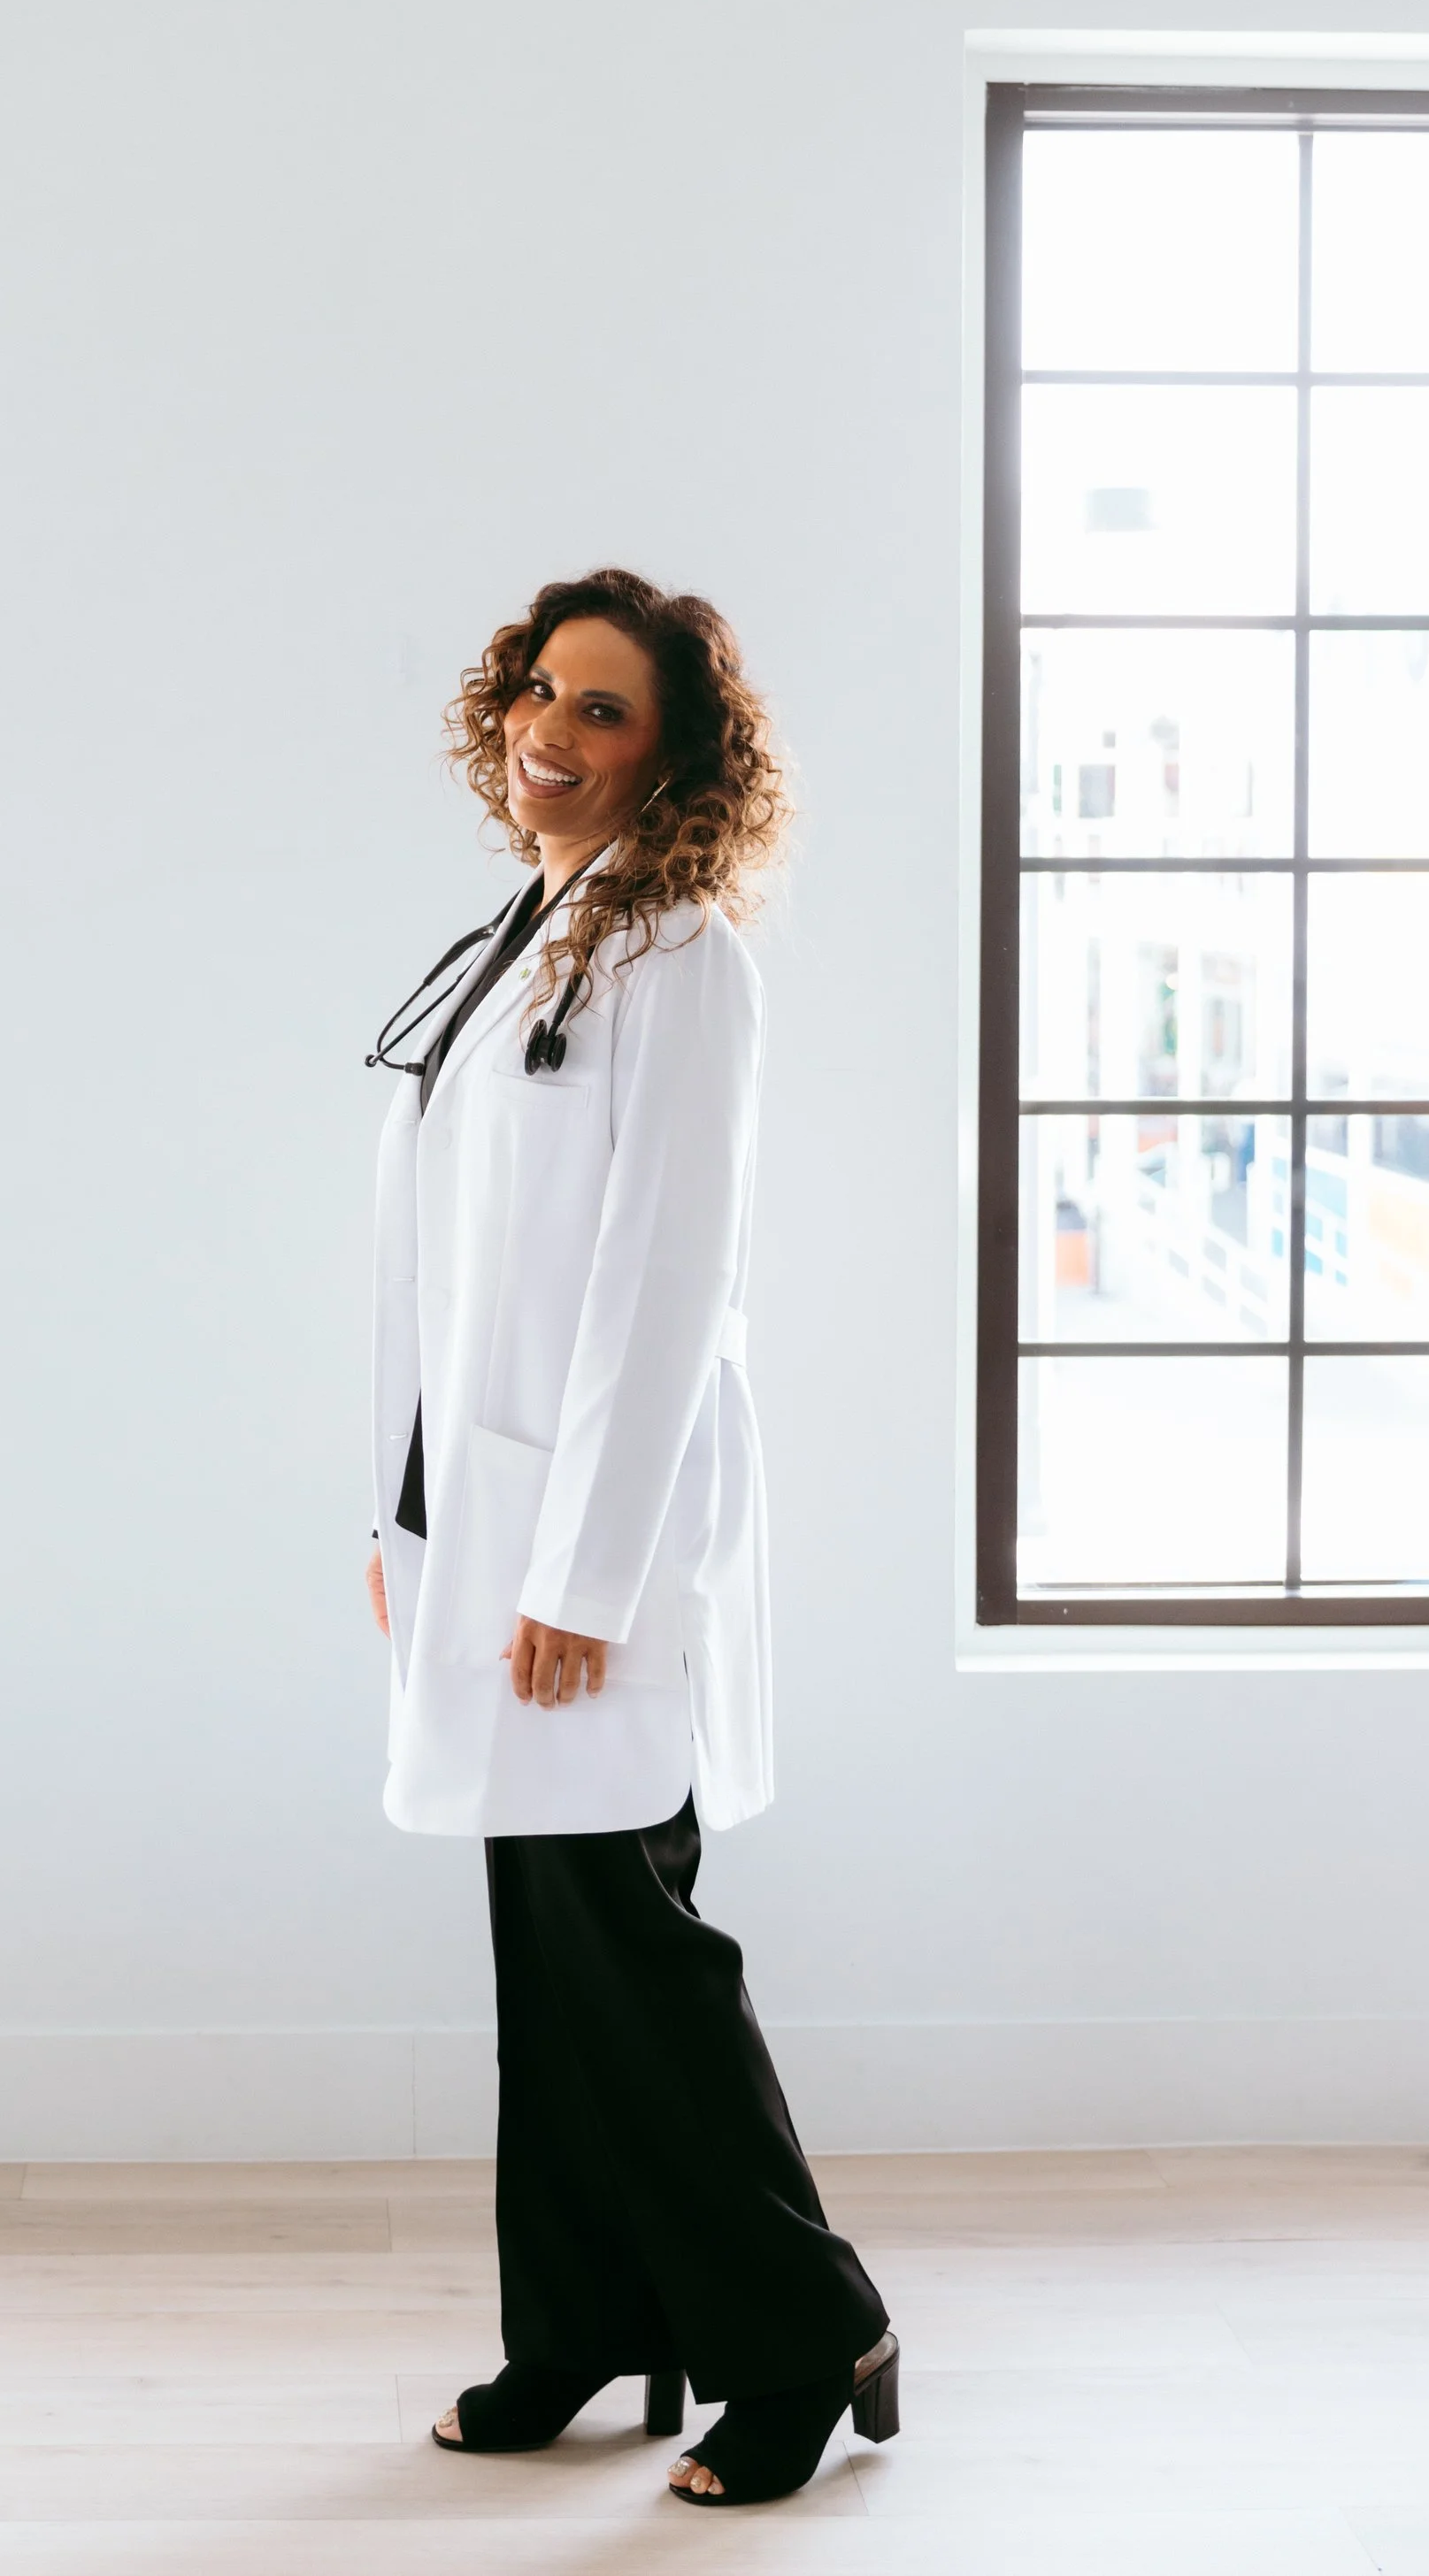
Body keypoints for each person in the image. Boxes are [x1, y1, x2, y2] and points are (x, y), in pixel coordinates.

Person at [363, 568, 896, 2511]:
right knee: (546, 1955)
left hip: (598, 1535)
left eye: (602, 711)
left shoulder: (680, 958)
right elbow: (441, 1267)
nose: (552, 734)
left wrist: (577, 1577)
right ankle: (583, 2325)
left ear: (675, 751)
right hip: (478, 1510)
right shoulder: (529, 934)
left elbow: (662, 1287)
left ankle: (805, 2329)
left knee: (631, 1952)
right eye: (537, 694)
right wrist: (399, 1516)